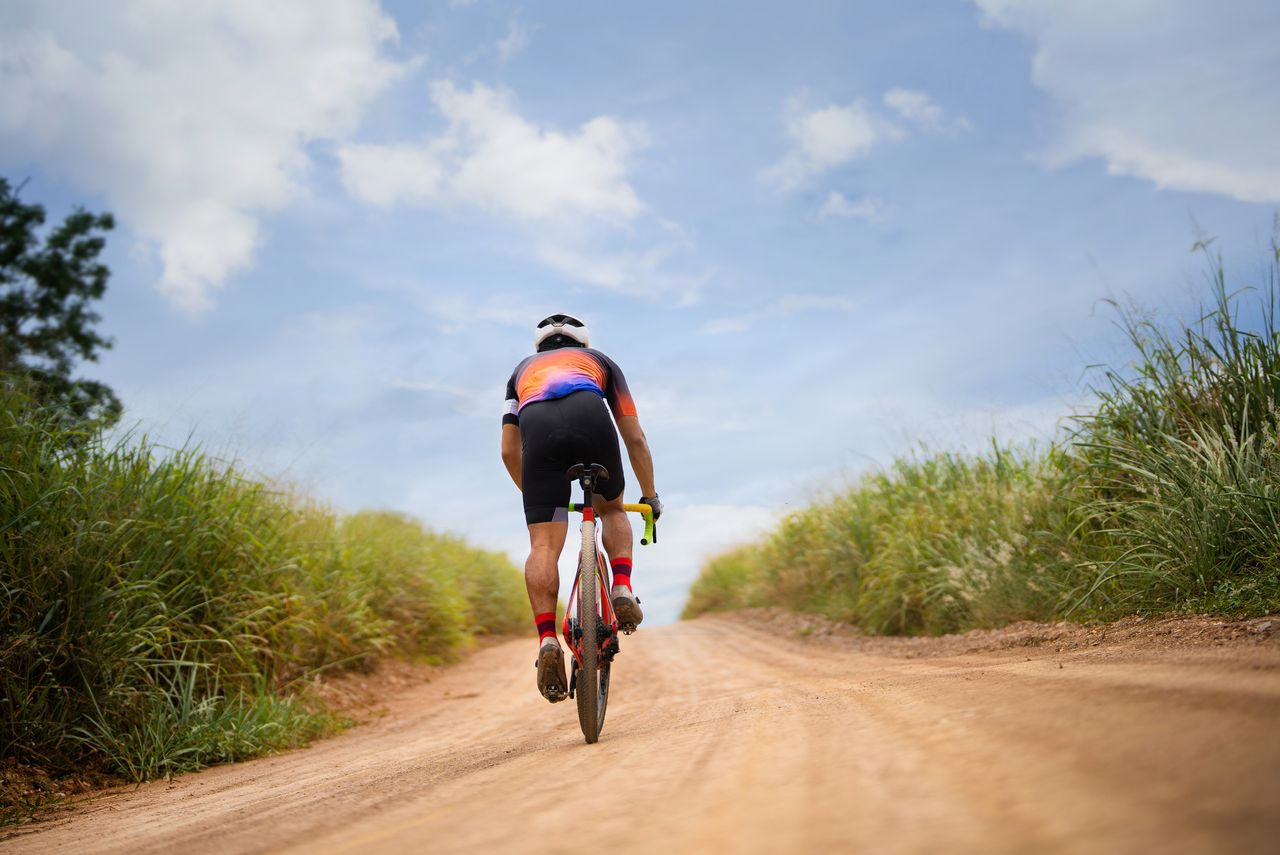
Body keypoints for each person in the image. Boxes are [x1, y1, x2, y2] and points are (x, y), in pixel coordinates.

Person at [501, 313, 662, 703]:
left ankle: (545, 641)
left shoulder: (520, 372)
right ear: (583, 343)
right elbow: (635, 438)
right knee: (611, 510)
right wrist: (650, 495)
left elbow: (508, 451)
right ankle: (621, 586)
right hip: (591, 418)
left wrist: (543, 499)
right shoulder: (602, 363)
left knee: (543, 545)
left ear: (539, 348)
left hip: (537, 430)